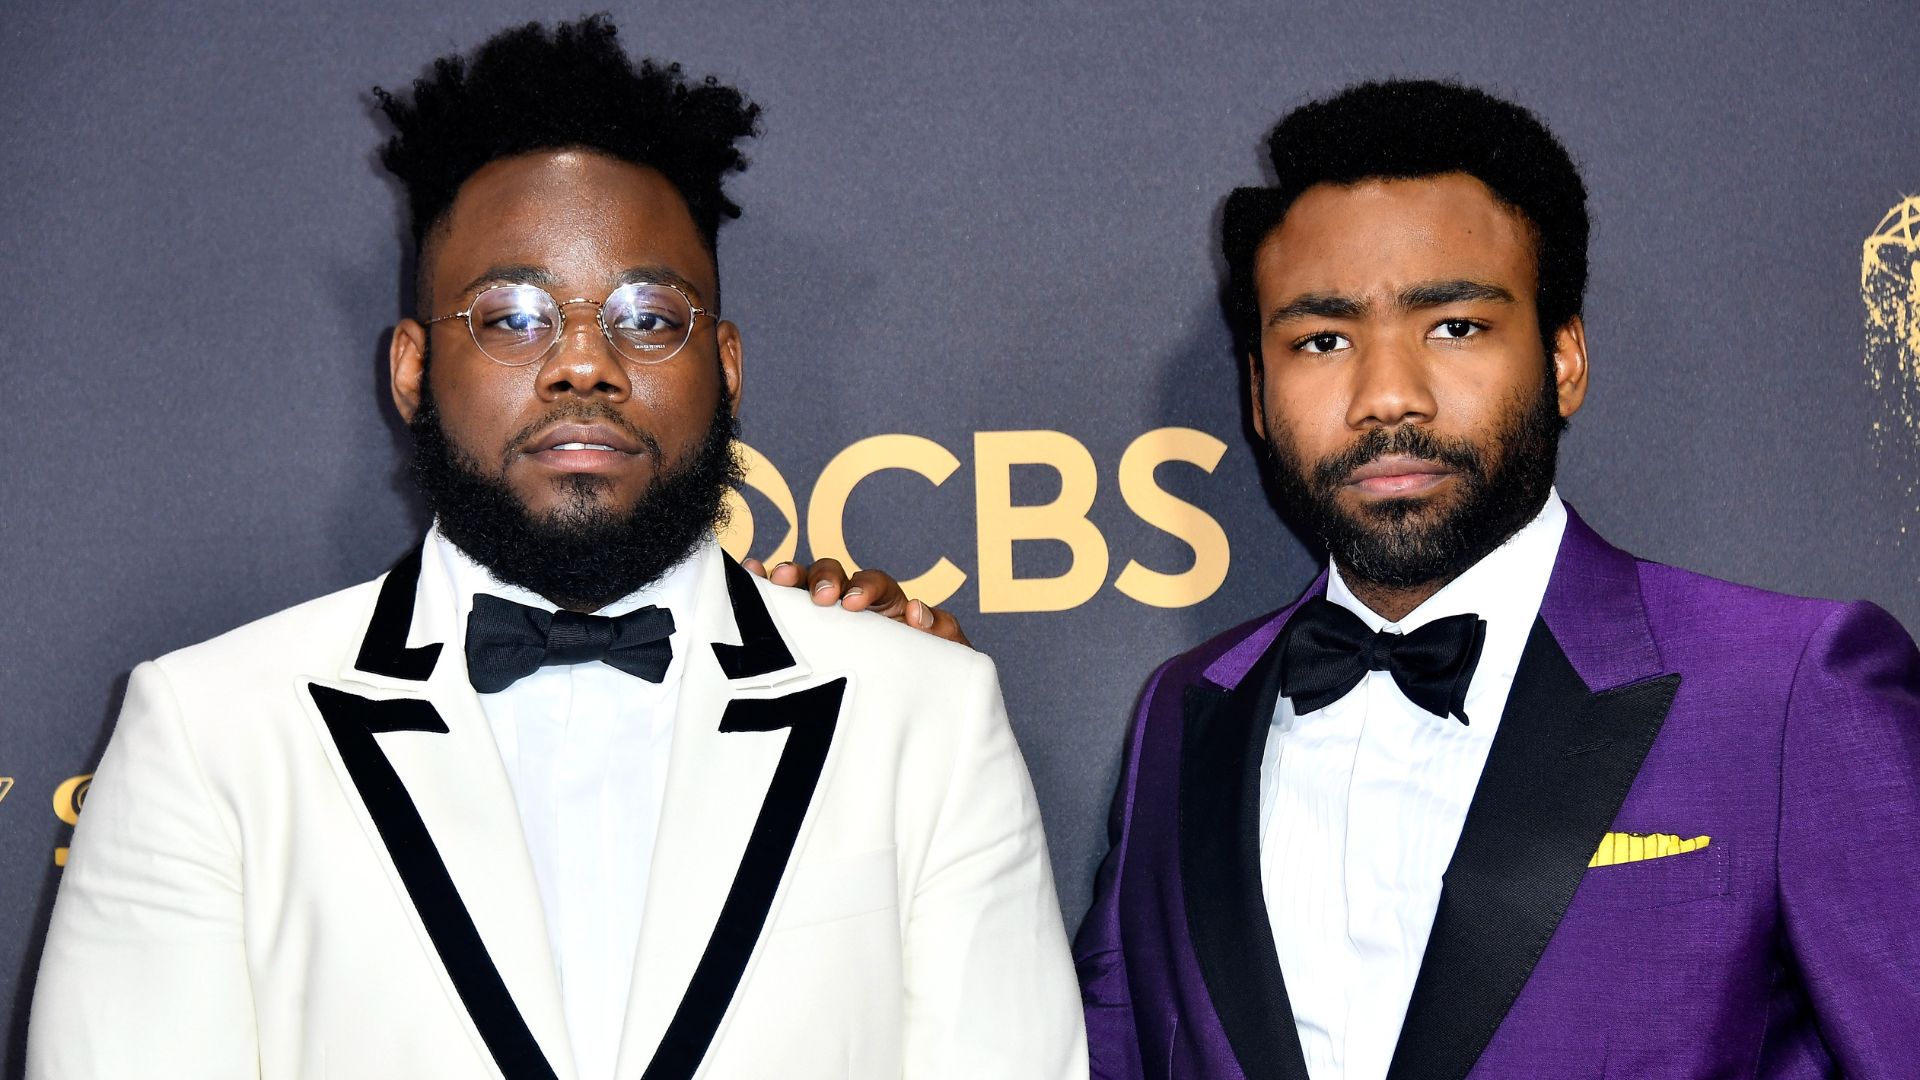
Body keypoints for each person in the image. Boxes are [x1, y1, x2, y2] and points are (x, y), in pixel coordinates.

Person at [25, 17, 1085, 1080]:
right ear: (409, 369)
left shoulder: (922, 716)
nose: (585, 361)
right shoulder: (211, 734)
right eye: (512, 316)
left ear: (725, 364)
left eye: (648, 315)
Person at [1060, 81, 1920, 1079]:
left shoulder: (1788, 691)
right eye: (1321, 341)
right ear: (1257, 392)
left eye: (1455, 326)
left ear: (1563, 359)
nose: (1388, 395)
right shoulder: (1183, 714)